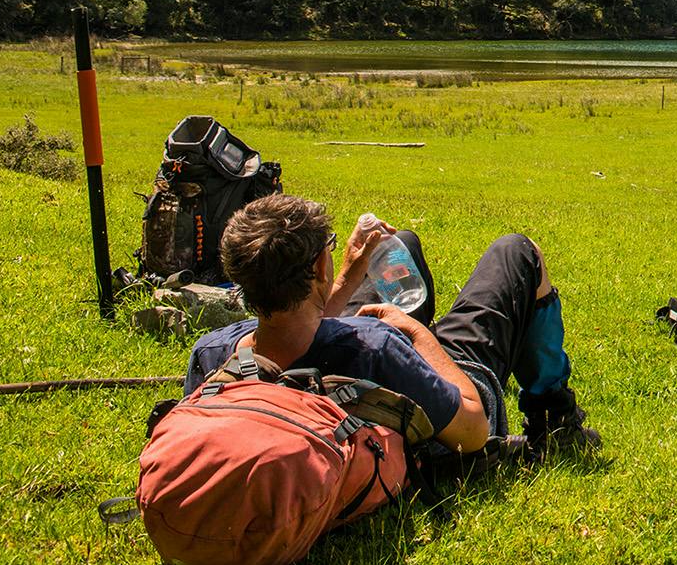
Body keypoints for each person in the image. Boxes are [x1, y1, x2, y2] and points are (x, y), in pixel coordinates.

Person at [182, 193, 598, 459]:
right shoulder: (375, 345)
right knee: (518, 251)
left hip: (332, 377)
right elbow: (472, 431)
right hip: (447, 407)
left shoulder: (213, 352)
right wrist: (418, 335)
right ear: (317, 268)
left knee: (405, 244)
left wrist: (346, 278)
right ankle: (555, 418)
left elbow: (295, 333)